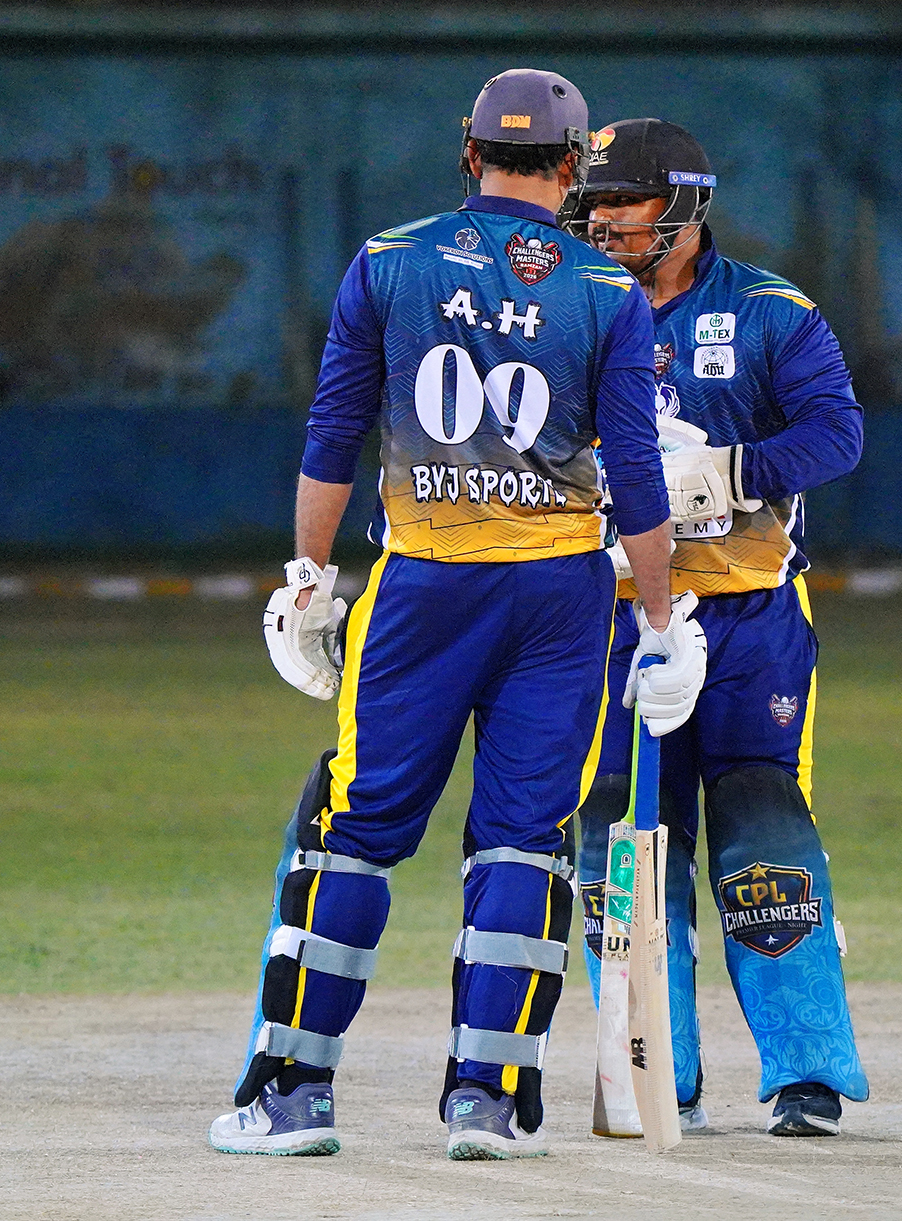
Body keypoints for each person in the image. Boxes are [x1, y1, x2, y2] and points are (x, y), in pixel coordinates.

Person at [213, 74, 708, 1162]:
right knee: (524, 842)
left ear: (469, 153)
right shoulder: (608, 288)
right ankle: (488, 1101)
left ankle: (292, 1098)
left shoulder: (388, 260)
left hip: (424, 587)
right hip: (561, 599)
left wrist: (306, 577)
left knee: (354, 833)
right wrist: (662, 621)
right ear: (572, 169)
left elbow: (334, 429)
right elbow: (634, 474)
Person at [561, 118, 869, 1137]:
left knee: (762, 830)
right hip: (606, 617)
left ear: (687, 206)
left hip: (748, 615)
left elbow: (836, 434)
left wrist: (728, 472)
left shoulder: (771, 312)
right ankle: (655, 1074)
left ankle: (807, 1074)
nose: (605, 219)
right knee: (618, 838)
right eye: (594, 201)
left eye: (627, 201)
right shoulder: (560, 308)